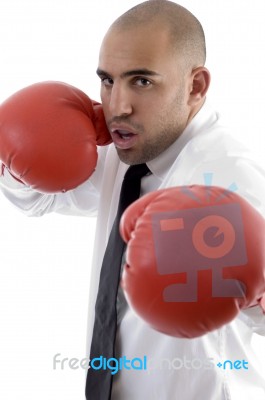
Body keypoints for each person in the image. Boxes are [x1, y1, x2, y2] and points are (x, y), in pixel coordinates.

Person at [1, 1, 265, 399]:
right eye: (108, 81)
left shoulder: (230, 179)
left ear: (195, 86)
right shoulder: (123, 151)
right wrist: (17, 151)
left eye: (141, 81)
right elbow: (41, 200)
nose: (117, 107)